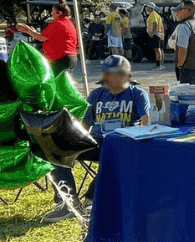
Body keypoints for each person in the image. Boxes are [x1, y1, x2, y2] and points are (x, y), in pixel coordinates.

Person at [45, 55, 150, 223]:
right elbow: (85, 126)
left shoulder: (137, 94)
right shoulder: (96, 94)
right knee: (56, 153)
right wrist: (70, 143)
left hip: (123, 142)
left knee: (115, 158)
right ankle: (68, 203)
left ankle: (92, 199)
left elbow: (146, 122)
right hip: (97, 141)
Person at [15, 0, 80, 74]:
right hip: (71, 57)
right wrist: (33, 32)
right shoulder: (69, 22)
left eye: (53, 11)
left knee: (48, 79)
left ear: (59, 13)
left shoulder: (57, 23)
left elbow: (41, 37)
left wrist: (27, 30)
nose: (51, 13)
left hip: (61, 58)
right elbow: (49, 36)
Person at [145, 2, 165, 70]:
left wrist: (152, 33)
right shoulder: (155, 14)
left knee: (157, 49)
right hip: (159, 34)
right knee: (158, 49)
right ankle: (160, 64)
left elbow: (155, 24)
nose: (146, 8)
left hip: (156, 34)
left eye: (147, 7)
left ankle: (158, 65)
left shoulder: (153, 15)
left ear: (150, 8)